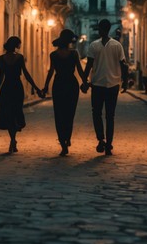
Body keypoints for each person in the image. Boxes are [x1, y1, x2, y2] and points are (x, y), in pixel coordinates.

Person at [80, 19, 127, 156]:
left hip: (98, 85)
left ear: (100, 29)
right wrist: (124, 82)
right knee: (110, 116)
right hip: (113, 85)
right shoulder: (117, 45)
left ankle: (101, 139)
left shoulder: (94, 46)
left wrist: (84, 82)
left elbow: (88, 66)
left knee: (96, 113)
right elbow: (123, 65)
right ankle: (109, 145)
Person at [0, 36, 41, 154]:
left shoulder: (1, 58)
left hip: (6, 88)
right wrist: (36, 88)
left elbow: (0, 77)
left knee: (8, 114)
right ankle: (13, 139)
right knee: (15, 112)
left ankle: (13, 139)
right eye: (20, 43)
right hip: (17, 87)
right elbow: (26, 74)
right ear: (16, 44)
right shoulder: (19, 57)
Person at [40, 28, 84, 156]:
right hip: (71, 84)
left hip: (58, 84)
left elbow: (51, 71)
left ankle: (62, 142)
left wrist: (45, 86)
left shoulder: (54, 55)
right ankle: (67, 137)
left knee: (59, 114)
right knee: (70, 114)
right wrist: (85, 83)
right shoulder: (74, 54)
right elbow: (80, 71)